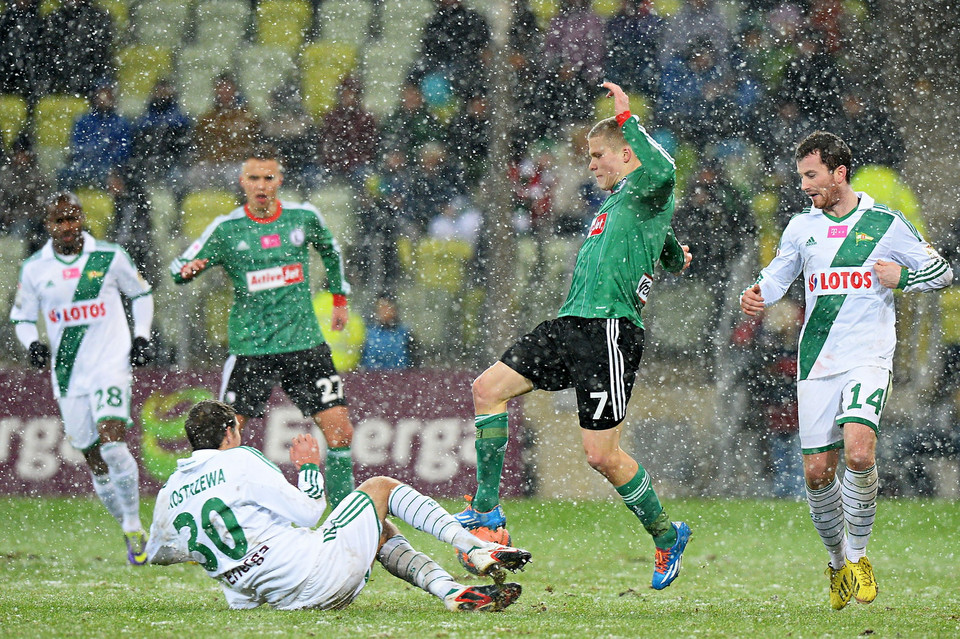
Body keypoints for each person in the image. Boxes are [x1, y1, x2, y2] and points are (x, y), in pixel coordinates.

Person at [456, 82, 693, 590]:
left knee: (600, 456)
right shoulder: (627, 202)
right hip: (571, 323)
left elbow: (666, 173)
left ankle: (666, 534)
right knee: (487, 389)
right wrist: (672, 253)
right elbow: (659, 241)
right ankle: (486, 512)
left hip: (609, 329)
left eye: (598, 154)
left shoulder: (650, 184)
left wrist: (626, 116)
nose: (590, 164)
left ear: (626, 154)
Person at [740, 131, 953, 610]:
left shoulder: (886, 223)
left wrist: (905, 277)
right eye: (800, 177)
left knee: (859, 453)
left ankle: (858, 557)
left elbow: (942, 272)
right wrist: (756, 293)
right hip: (817, 361)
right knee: (817, 472)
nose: (804, 186)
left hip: (868, 357)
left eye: (812, 175)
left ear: (839, 174)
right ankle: (837, 563)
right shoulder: (801, 227)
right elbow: (777, 275)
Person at [146, 400, 531, 612]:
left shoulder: (170, 492)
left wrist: (211, 546)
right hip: (317, 575)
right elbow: (310, 511)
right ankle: (476, 547)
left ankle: (451, 592)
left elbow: (159, 554)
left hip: (276, 601)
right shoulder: (240, 459)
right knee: (379, 488)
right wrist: (310, 468)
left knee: (377, 529)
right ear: (230, 431)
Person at [170, 146, 356, 507]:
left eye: (268, 178)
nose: (261, 185)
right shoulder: (226, 230)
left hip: (304, 343)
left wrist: (338, 298)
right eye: (253, 178)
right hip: (252, 349)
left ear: (279, 181)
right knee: (221, 437)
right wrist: (187, 271)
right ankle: (223, 514)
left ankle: (346, 521)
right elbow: (179, 266)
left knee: (340, 433)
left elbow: (331, 250)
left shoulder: (303, 218)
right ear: (242, 182)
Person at [10, 191, 156, 564]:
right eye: (60, 221)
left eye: (73, 218)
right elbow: (22, 318)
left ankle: (136, 525)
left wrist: (141, 335)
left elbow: (141, 294)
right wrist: (33, 345)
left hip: (110, 364)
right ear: (48, 225)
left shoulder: (109, 256)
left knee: (112, 445)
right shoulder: (35, 268)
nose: (68, 226)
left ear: (82, 218)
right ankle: (129, 526)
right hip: (69, 374)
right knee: (92, 457)